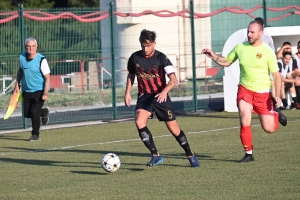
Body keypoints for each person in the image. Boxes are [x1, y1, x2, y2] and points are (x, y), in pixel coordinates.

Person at [202, 21, 287, 162]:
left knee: (269, 128)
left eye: (252, 32)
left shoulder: (267, 51)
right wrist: (213, 55)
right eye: (248, 31)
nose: (249, 34)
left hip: (263, 93)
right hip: (245, 89)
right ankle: (248, 153)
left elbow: (277, 75)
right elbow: (226, 61)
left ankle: (276, 114)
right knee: (243, 114)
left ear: (261, 33)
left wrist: (277, 96)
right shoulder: (240, 47)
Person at [124, 29, 200, 167]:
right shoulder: (135, 57)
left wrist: (164, 92)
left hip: (160, 96)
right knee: (139, 122)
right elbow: (131, 75)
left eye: (148, 45)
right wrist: (127, 92)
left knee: (174, 129)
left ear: (154, 43)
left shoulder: (161, 58)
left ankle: (190, 155)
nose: (145, 49)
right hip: (144, 96)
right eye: (143, 46)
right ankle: (155, 156)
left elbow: (173, 79)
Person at [14, 37, 51, 141]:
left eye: (33, 46)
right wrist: (17, 84)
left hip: (39, 90)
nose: (31, 48)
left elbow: (48, 78)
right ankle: (44, 112)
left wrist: (45, 93)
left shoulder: (41, 60)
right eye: (29, 46)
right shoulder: (21, 57)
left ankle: (35, 135)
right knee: (27, 113)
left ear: (37, 47)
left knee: (34, 112)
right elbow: (20, 71)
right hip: (27, 90)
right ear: (26, 47)